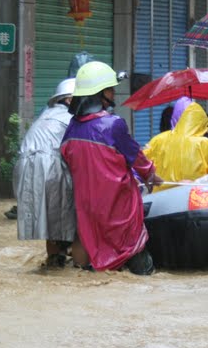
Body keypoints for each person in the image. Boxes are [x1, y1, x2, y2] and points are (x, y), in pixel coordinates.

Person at [60, 62, 163, 274]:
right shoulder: (113, 124)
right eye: (110, 88)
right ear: (100, 93)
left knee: (91, 262)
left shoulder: (71, 128)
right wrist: (152, 175)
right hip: (118, 206)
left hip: (88, 208)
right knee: (137, 261)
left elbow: (66, 156)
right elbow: (137, 158)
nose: (114, 92)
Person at [12, 78, 76, 267]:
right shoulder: (71, 118)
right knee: (67, 211)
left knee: (49, 218)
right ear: (69, 100)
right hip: (51, 165)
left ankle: (55, 257)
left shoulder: (46, 115)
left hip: (24, 167)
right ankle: (70, 256)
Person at [143, 100, 208, 188]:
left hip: (161, 197)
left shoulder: (157, 139)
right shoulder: (205, 144)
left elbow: (143, 166)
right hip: (193, 197)